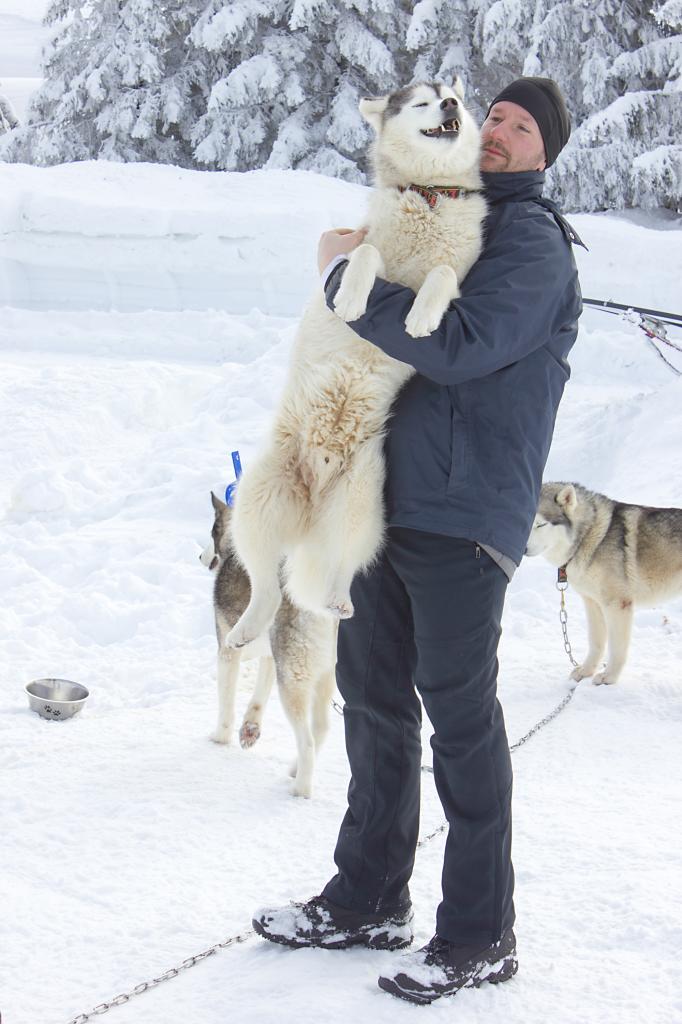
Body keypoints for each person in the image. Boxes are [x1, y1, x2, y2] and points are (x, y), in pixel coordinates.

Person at [252, 77, 583, 1005]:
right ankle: (367, 897)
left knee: (459, 720)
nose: (502, 134)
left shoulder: (531, 243)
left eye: (523, 128)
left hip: (465, 513)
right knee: (372, 704)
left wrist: (341, 287)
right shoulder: (438, 213)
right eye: (497, 119)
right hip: (386, 507)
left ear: (545, 154)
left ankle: (480, 935)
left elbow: (462, 343)